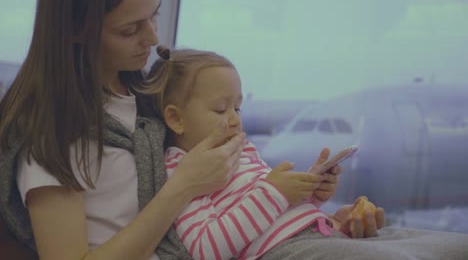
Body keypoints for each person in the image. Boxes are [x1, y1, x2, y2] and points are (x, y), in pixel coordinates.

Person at [0, 0, 344, 260]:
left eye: (155, 14)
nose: (152, 38)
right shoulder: (51, 135)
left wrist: (309, 212)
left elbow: (230, 200)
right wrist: (182, 187)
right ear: (75, 31)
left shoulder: (149, 101)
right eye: (130, 29)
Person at [137, 46, 468, 260]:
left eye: (238, 107)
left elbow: (269, 208)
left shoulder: (242, 149)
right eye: (221, 109)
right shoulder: (181, 171)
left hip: (322, 231)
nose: (236, 119)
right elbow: (206, 250)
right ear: (175, 118)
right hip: (287, 250)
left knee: (454, 246)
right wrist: (275, 192)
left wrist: (310, 196)